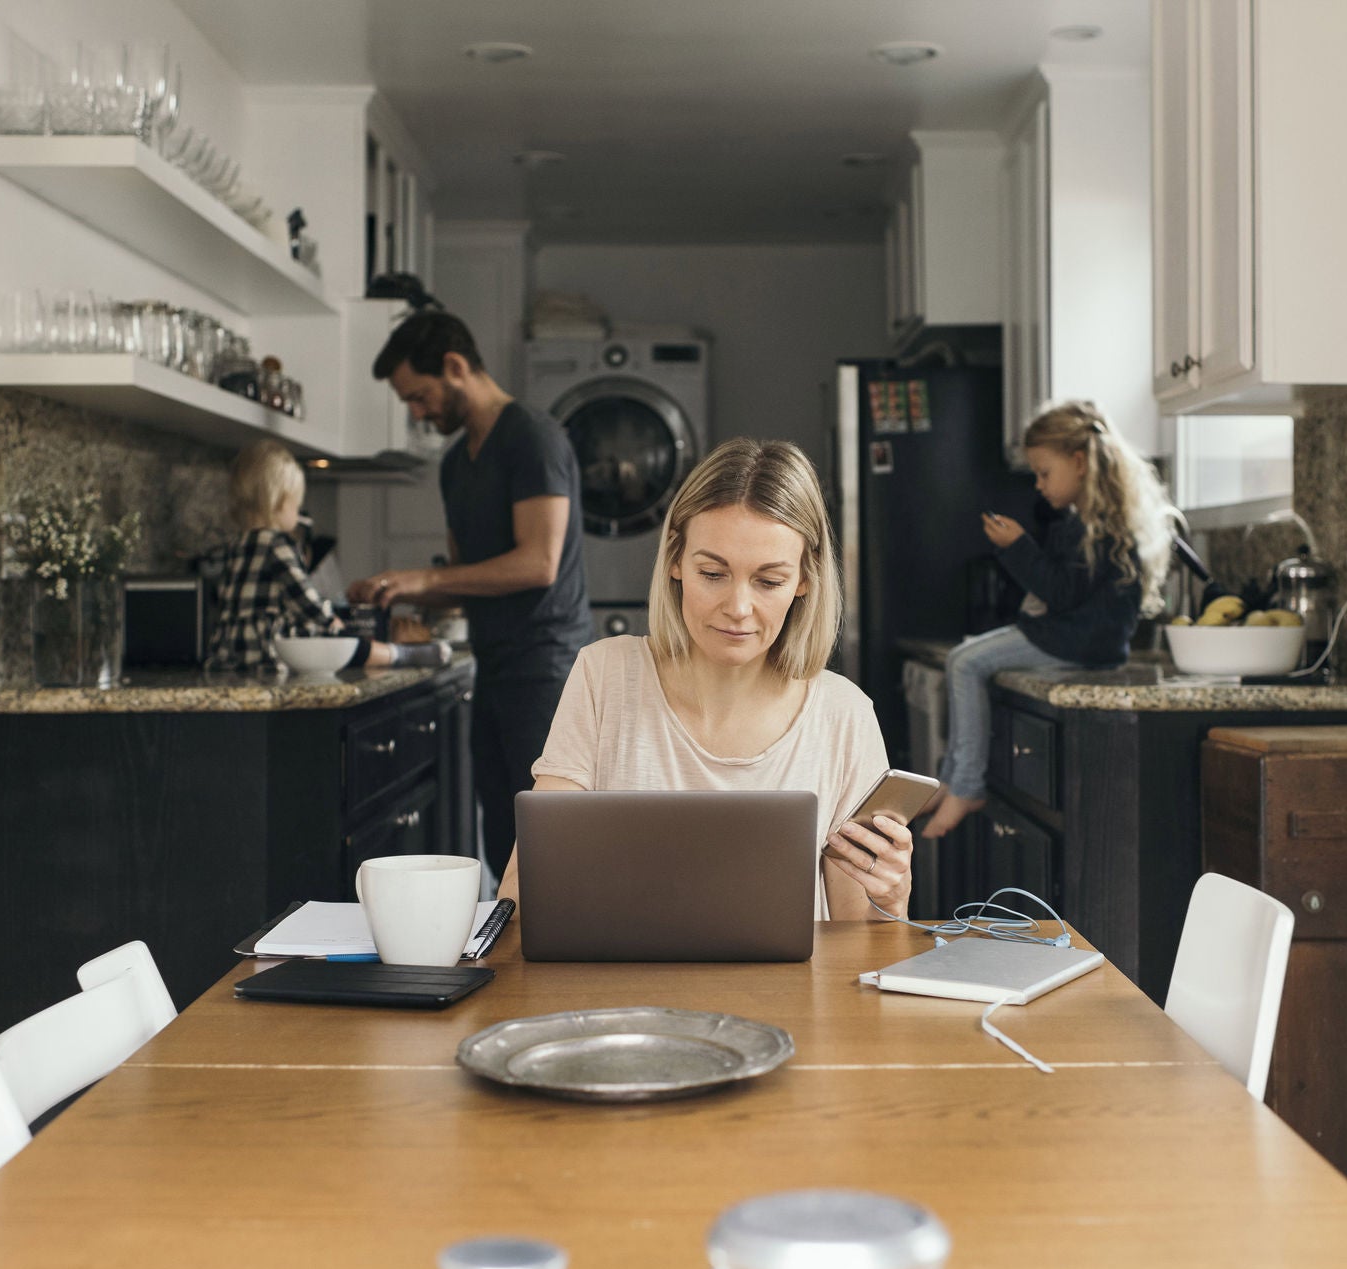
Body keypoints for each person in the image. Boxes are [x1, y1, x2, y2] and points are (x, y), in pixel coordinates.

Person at [498, 437, 912, 921]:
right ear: (675, 560)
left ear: (804, 580)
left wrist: (890, 899)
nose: (737, 609)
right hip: (626, 994)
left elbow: (857, 945)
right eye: (713, 573)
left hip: (789, 998)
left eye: (769, 581)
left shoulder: (845, 715)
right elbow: (522, 896)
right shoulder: (603, 676)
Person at [349, 312, 591, 875]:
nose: (416, 412)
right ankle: (511, 961)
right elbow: (469, 577)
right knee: (503, 835)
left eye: (419, 395)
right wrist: (395, 589)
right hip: (495, 667)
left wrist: (423, 579)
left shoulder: (531, 436)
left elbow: (537, 563)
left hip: (547, 670)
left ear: (455, 367)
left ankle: (565, 962)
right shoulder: (457, 463)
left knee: (549, 843)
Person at [920, 401, 1179, 839]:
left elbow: (1059, 593)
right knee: (968, 657)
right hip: (1082, 644)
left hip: (1074, 642)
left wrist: (1018, 545)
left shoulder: (1094, 529)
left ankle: (964, 785)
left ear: (1079, 463)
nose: (1038, 484)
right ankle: (953, 778)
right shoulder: (1099, 523)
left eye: (1044, 472)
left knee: (965, 662)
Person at [205, 440, 448, 673]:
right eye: (296, 506)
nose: (298, 514)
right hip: (270, 651)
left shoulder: (236, 544)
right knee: (343, 642)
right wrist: (331, 620)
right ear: (279, 503)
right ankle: (398, 655)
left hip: (229, 652)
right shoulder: (277, 544)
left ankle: (397, 653)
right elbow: (304, 598)